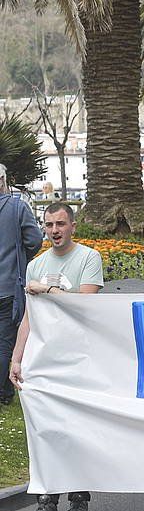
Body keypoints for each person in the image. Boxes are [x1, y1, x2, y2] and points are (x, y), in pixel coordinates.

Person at [14, 203, 104, 511]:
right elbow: (29, 317)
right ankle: (47, 499)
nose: (54, 230)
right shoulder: (36, 264)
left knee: (75, 428)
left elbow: (86, 305)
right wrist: (17, 357)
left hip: (77, 358)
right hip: (44, 359)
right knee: (44, 429)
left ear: (73, 226)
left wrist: (48, 290)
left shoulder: (89, 258)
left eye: (61, 224)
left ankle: (79, 496)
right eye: (49, 224)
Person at [0, 164, 44, 406]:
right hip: (7, 286)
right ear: (3, 181)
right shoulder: (17, 207)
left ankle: (6, 392)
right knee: (4, 341)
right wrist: (22, 258)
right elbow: (35, 240)